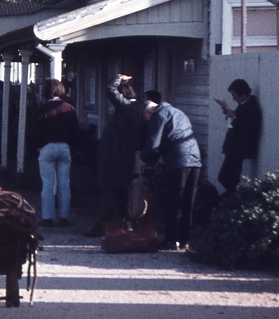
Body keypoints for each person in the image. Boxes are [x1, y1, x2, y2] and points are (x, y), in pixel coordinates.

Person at [140, 94, 201, 251]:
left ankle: (171, 240)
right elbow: (174, 136)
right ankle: (185, 240)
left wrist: (144, 159)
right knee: (187, 201)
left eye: (145, 119)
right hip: (195, 159)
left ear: (148, 112)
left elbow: (153, 143)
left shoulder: (158, 115)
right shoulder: (177, 112)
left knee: (173, 201)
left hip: (178, 161)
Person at [86, 74, 142, 237]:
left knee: (109, 192)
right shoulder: (135, 111)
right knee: (121, 194)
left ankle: (100, 227)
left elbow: (110, 89)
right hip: (125, 156)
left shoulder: (126, 108)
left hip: (114, 157)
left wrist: (118, 77)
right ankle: (119, 225)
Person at [31, 79, 79, 227]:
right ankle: (64, 217)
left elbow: (35, 132)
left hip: (47, 147)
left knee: (48, 183)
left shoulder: (41, 109)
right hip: (64, 147)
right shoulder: (69, 108)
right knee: (64, 183)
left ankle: (48, 217)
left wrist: (38, 146)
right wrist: (72, 148)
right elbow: (75, 131)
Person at [216, 78, 262, 195]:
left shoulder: (251, 107)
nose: (233, 98)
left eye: (234, 94)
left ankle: (237, 198)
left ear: (242, 93)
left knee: (226, 177)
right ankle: (234, 199)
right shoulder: (243, 105)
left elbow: (248, 127)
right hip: (233, 147)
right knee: (229, 178)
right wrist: (229, 114)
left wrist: (234, 116)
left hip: (239, 149)